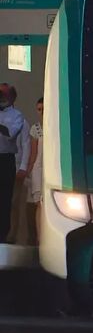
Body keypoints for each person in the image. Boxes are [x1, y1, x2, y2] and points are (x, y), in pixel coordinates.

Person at [0, 83, 24, 242]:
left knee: (4, 199)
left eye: (2, 93)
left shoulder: (17, 115)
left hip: (4, 160)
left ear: (11, 97)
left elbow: (10, 134)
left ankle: (1, 236)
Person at [6, 113, 29, 244]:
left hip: (15, 167)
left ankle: (11, 234)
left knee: (13, 203)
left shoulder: (21, 122)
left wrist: (23, 167)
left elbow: (26, 145)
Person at [26, 97, 43, 245]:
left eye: (44, 109)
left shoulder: (55, 126)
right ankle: (39, 237)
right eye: (39, 109)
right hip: (38, 168)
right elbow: (33, 153)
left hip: (53, 168)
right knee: (39, 204)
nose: (41, 112)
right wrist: (28, 171)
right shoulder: (35, 128)